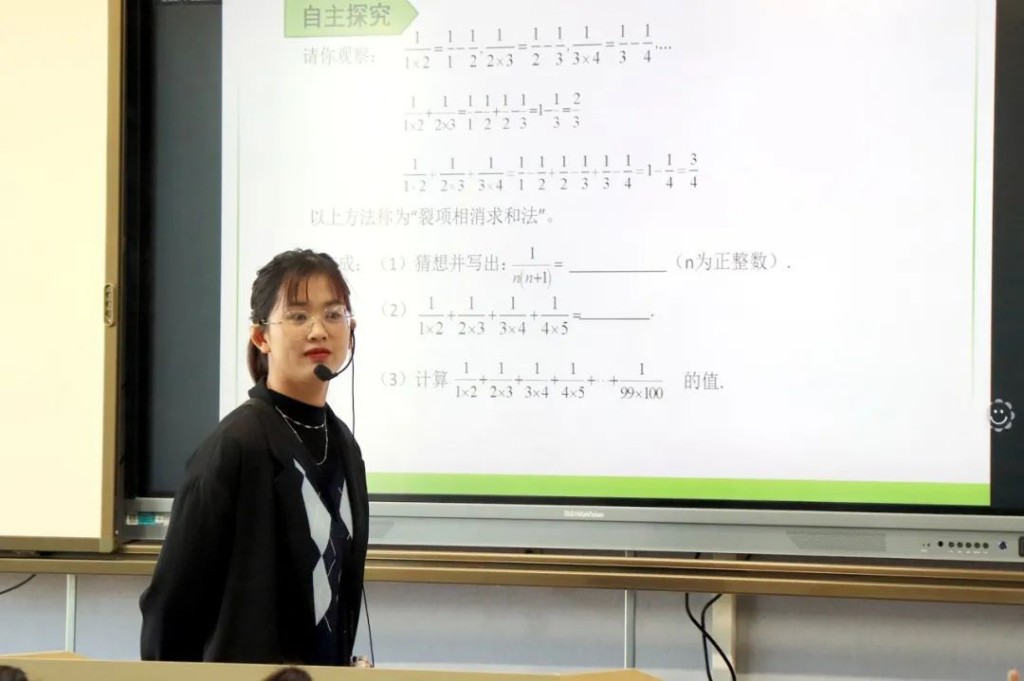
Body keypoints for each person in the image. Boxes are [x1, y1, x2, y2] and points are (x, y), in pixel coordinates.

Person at [140, 249, 369, 665]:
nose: (319, 330)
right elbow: (170, 611)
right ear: (262, 337)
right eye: (298, 316)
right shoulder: (236, 445)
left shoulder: (344, 447)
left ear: (351, 329)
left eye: (334, 314)